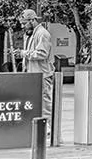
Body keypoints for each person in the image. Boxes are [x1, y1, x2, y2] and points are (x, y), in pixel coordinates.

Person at [16, 9, 54, 139]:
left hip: (42, 74)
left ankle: (48, 129)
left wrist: (23, 53)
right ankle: (39, 128)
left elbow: (42, 53)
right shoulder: (30, 34)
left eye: (24, 23)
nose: (22, 26)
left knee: (44, 103)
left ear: (32, 20)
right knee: (34, 102)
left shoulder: (42, 34)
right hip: (32, 74)